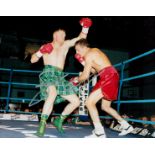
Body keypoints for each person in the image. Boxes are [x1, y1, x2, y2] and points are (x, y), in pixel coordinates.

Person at [30, 18, 92, 137]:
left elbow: (80, 39)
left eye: (64, 35)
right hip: (48, 74)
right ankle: (42, 125)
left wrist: (85, 27)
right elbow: (33, 60)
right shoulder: (46, 46)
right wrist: (40, 53)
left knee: (76, 101)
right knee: (52, 93)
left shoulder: (66, 45)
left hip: (59, 76)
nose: (63, 36)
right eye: (61, 34)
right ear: (55, 35)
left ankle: (59, 120)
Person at [72, 38, 134, 138]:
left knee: (89, 102)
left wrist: (76, 80)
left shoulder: (89, 54)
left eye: (78, 50)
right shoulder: (94, 51)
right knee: (105, 107)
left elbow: (85, 76)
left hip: (108, 76)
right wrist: (82, 62)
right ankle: (126, 126)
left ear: (84, 47)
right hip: (109, 75)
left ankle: (99, 132)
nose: (77, 52)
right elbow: (94, 71)